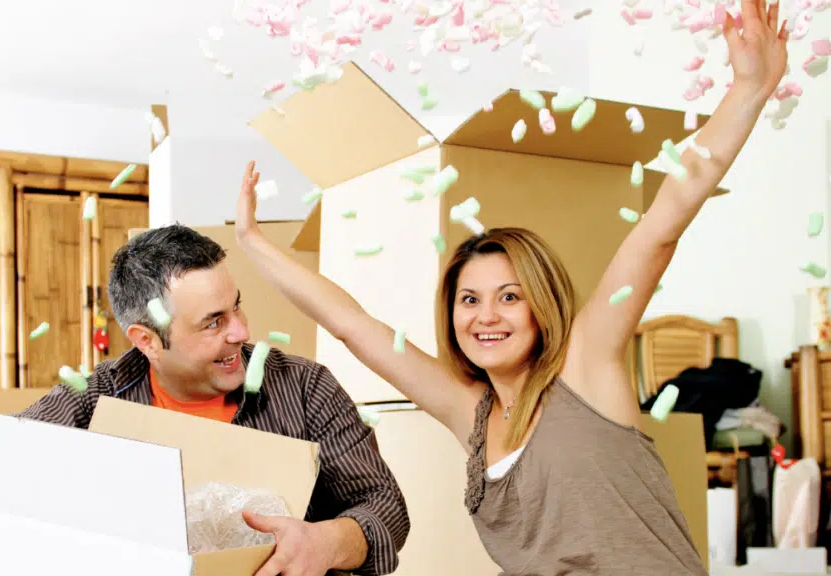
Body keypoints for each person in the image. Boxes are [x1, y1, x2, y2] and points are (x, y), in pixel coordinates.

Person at [234, 1, 788, 573]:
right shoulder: (468, 414)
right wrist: (252, 241)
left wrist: (749, 86)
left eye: (509, 296)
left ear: (539, 306)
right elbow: (352, 326)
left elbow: (661, 227)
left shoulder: (585, 364)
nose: (485, 316)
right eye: (469, 300)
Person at [18, 224, 410, 576]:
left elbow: (384, 506)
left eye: (236, 305)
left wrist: (326, 543)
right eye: (213, 322)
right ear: (147, 341)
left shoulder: (305, 387)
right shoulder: (92, 400)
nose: (240, 331)